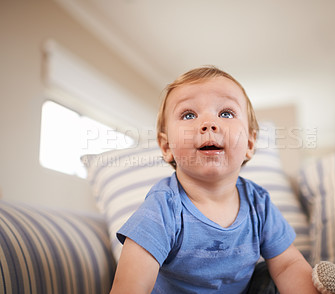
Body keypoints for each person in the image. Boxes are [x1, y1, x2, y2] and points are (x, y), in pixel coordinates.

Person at [110, 66, 318, 294]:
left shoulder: (259, 203)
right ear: (167, 146)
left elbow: (288, 264)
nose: (209, 124)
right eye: (189, 115)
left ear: (249, 143)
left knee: (271, 274)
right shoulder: (163, 207)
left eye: (226, 113)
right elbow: (130, 285)